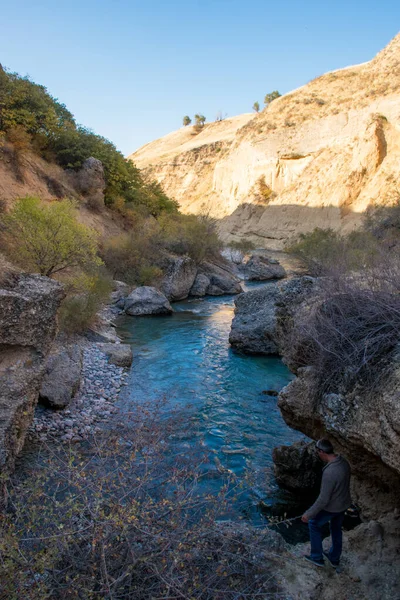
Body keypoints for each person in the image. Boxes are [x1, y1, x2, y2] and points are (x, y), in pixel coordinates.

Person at [301, 438, 351, 568]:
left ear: (322, 452)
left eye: (318, 452)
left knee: (313, 524)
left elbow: (323, 499)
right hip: (343, 504)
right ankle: (334, 558)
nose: (318, 455)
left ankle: (317, 557)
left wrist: (308, 514)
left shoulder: (329, 472)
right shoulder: (344, 462)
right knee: (336, 529)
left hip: (332, 507)